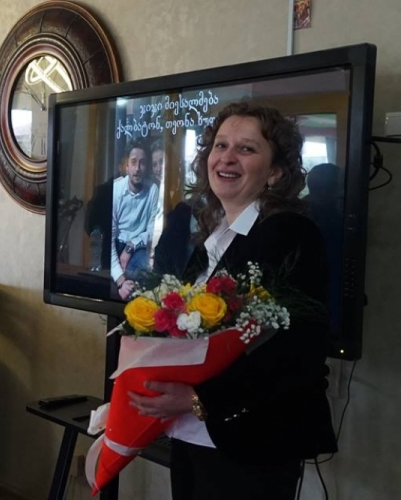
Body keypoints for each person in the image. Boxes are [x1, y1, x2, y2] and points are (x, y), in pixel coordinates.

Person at [128, 102, 337, 500]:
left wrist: (199, 399)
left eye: (246, 148)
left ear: (275, 172)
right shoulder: (212, 234)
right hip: (192, 434)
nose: (226, 157)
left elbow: (301, 350)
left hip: (253, 441)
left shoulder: (291, 233)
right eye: (220, 145)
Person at [110, 139, 161, 300]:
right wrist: (121, 281)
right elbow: (108, 240)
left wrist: (132, 246)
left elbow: (152, 230)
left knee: (151, 269)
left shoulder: (152, 190)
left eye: (142, 163)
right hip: (115, 246)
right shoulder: (115, 190)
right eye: (133, 162)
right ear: (127, 166)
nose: (137, 168)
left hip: (138, 247)